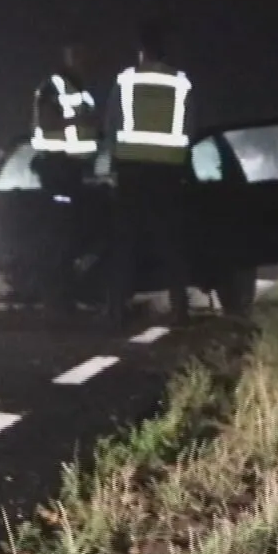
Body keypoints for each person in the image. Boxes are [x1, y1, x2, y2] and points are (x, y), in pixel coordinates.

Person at [102, 21, 193, 328]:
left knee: (124, 243)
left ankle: (115, 310)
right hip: (168, 173)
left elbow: (111, 126)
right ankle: (180, 309)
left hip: (131, 172)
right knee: (172, 243)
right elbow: (190, 127)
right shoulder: (180, 83)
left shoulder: (126, 81)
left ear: (140, 50)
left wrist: (113, 164)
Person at [29, 44, 99, 311]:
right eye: (80, 56)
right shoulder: (54, 87)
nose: (86, 61)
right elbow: (47, 123)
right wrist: (80, 122)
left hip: (75, 171)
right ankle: (55, 300)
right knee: (59, 238)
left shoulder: (81, 91)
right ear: (69, 58)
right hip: (57, 169)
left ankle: (66, 296)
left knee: (70, 236)